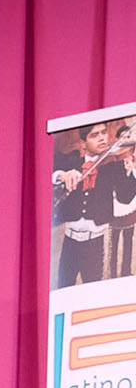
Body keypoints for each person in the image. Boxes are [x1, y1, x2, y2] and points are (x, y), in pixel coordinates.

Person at [54, 121, 136, 288]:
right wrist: (61, 175)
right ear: (84, 143)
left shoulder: (114, 164)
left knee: (92, 288)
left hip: (95, 243)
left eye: (104, 133)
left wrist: (133, 170)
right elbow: (53, 170)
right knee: (64, 286)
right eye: (95, 135)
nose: (102, 138)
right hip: (70, 241)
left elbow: (126, 197)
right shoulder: (71, 161)